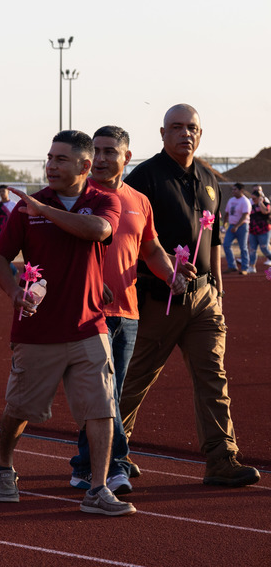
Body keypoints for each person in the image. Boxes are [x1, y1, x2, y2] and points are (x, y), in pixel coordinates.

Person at [0, 130, 135, 517]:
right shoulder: (26, 208)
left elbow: (97, 231)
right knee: (20, 409)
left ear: (85, 166)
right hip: (37, 331)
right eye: (49, 158)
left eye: (61, 160)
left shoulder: (104, 201)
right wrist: (14, 292)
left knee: (101, 409)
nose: (51, 166)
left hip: (90, 327)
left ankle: (97, 488)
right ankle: (3, 465)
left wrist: (45, 211)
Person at [120, 104, 260, 487]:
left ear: (201, 133)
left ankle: (221, 459)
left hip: (205, 301)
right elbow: (131, 241)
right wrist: (159, 272)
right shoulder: (143, 179)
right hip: (158, 300)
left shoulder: (209, 179)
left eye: (192, 128)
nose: (186, 134)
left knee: (213, 377)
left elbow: (213, 240)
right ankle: (110, 449)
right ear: (162, 133)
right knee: (137, 378)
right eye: (177, 127)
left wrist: (217, 286)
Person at [69, 126, 186, 494]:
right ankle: (115, 464)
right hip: (88, 312)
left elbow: (150, 249)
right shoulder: (77, 197)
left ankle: (85, 465)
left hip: (129, 313)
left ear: (126, 158)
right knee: (102, 394)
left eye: (109, 152)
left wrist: (172, 275)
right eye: (96, 152)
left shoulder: (139, 200)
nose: (101, 159)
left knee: (111, 393)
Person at [222, 183, 251, 274]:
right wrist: (224, 223)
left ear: (241, 190)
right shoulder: (231, 200)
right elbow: (227, 213)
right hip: (232, 226)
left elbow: (245, 215)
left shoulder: (245, 201)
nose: (233, 191)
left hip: (242, 226)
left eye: (235, 189)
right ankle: (232, 266)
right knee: (226, 244)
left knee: (243, 247)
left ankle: (245, 268)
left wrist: (236, 226)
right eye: (232, 189)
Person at [247, 189, 271, 272]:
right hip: (253, 231)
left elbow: (265, 212)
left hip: (264, 230)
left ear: (260, 198)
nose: (253, 200)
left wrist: (260, 202)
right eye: (252, 198)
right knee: (252, 249)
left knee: (264, 248)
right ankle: (252, 266)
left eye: (254, 198)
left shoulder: (266, 204)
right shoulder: (251, 205)